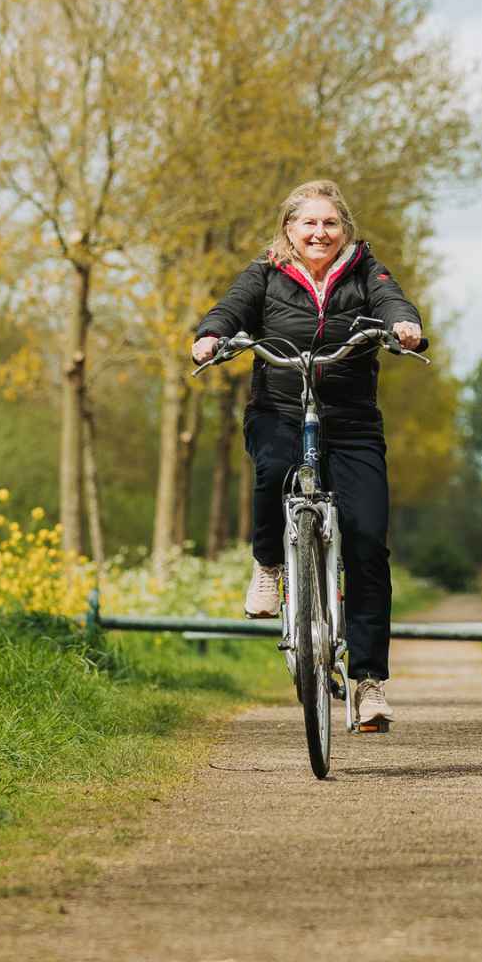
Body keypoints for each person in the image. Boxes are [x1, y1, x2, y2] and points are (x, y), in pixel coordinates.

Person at [192, 179, 423, 730]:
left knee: (368, 542)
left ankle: (369, 683)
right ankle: (269, 565)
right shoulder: (265, 272)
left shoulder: (366, 270)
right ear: (289, 230)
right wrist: (211, 335)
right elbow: (231, 308)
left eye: (330, 224)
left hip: (351, 421)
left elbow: (392, 298)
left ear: (345, 230)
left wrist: (404, 325)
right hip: (280, 409)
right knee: (272, 468)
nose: (320, 233)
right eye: (308, 224)